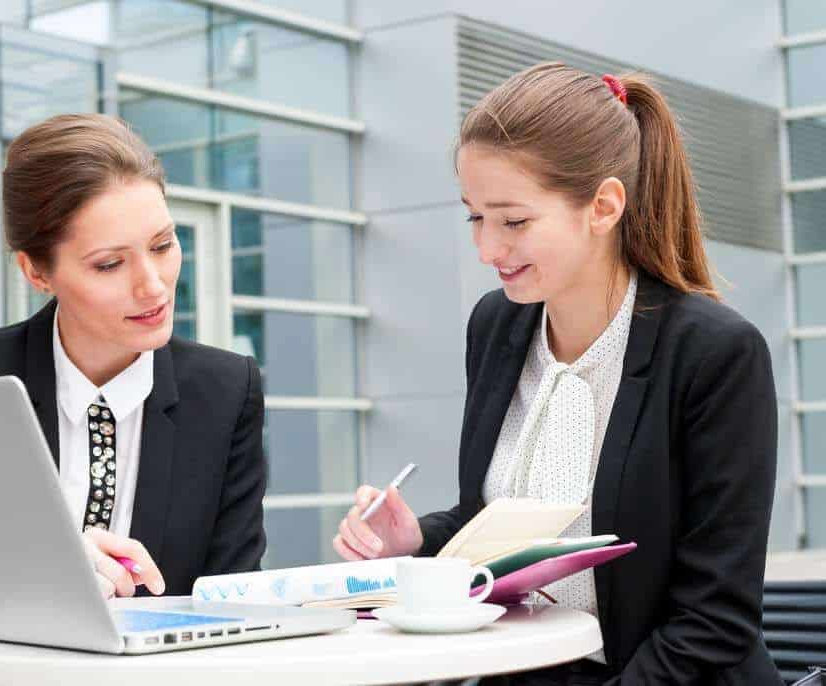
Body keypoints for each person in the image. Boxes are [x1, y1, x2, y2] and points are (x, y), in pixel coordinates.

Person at [333, 63, 782, 684]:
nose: (487, 249)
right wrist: (419, 541)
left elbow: (716, 617)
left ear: (603, 206)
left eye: (513, 221)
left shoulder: (714, 353)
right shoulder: (497, 326)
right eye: (474, 217)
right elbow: (499, 520)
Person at [0, 114, 267, 684]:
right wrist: (35, 585)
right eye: (109, 264)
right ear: (36, 271)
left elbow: (232, 613)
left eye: (163, 245)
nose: (153, 284)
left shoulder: (226, 393)